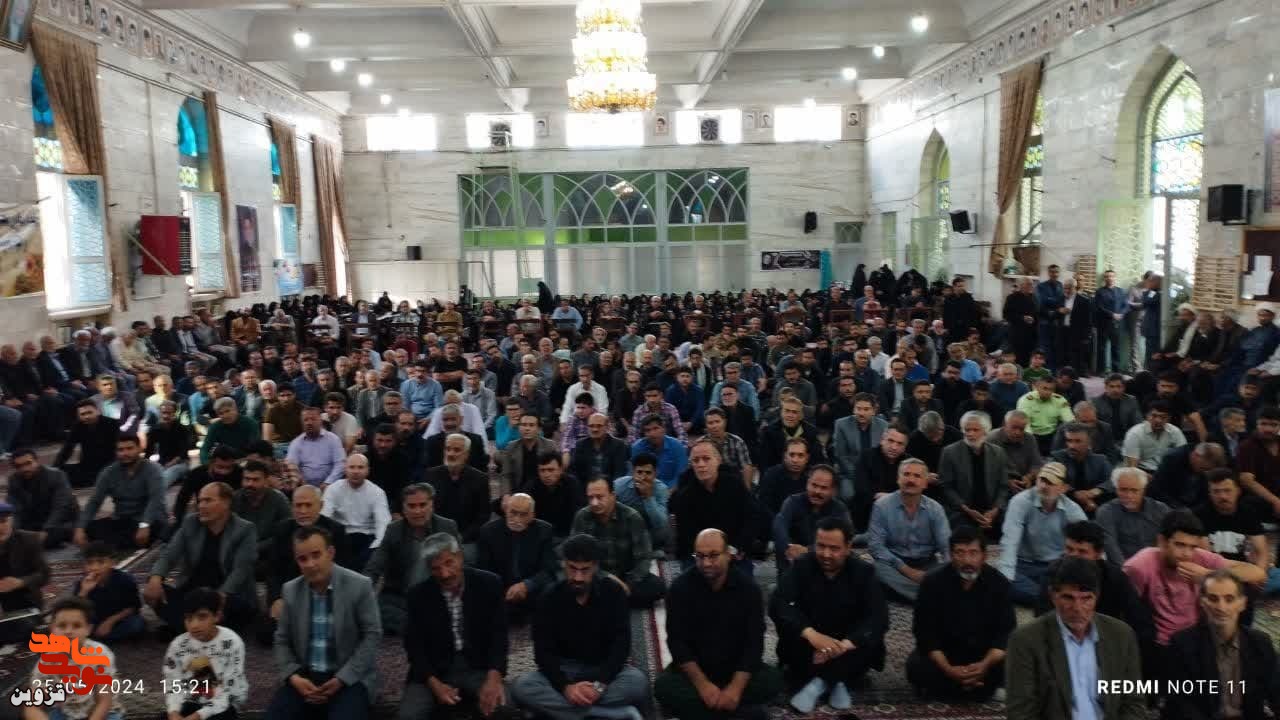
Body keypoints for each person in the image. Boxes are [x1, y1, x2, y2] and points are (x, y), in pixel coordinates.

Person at [510, 534, 649, 720]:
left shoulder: (613, 592)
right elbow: (543, 653)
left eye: (585, 570)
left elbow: (621, 646)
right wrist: (565, 688)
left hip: (601, 669)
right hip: (565, 669)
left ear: (596, 567)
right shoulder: (548, 598)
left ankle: (556, 711)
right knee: (522, 687)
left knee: (637, 683)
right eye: (572, 569)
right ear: (564, 565)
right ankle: (609, 714)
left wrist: (599, 686)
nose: (578, 577)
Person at [655, 528, 782, 720]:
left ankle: (708, 711)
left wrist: (736, 688)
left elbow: (754, 643)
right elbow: (677, 642)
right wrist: (703, 685)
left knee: (773, 680)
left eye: (713, 555)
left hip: (735, 668)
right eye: (700, 556)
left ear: (728, 554)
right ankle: (741, 713)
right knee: (663, 687)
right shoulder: (680, 589)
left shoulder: (749, 590)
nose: (706, 563)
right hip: (697, 669)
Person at [770, 516, 888, 712]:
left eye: (834, 549)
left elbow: (879, 617)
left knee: (869, 639)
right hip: (810, 643)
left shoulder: (864, 571)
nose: (826, 554)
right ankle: (838, 681)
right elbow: (778, 604)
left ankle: (819, 683)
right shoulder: (801, 565)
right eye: (821, 546)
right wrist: (811, 635)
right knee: (790, 631)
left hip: (847, 644)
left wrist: (842, 646)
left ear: (848, 547)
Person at [1005, 556, 1145, 719]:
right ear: (1052, 596)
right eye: (1068, 598)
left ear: (1097, 596)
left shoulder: (1121, 635)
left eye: (1086, 598)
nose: (1077, 608)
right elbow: (1020, 713)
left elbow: (1134, 702)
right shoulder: (1026, 641)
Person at [267, 525, 382, 720]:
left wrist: (342, 679)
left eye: (316, 555)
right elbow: (281, 640)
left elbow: (372, 635)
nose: (310, 564)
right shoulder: (291, 590)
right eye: (303, 559)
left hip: (349, 677)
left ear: (331, 553)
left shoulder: (359, 585)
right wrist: (293, 677)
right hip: (304, 677)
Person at [1124, 509, 1266, 665]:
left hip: (1199, 638)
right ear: (1162, 542)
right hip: (1162, 644)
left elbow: (1257, 573)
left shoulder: (1200, 557)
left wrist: (1208, 575)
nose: (1187, 554)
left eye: (1192, 547)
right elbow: (1127, 610)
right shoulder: (1140, 565)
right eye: (1180, 545)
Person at [400, 533, 515, 720]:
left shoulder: (489, 584)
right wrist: (434, 684)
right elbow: (414, 646)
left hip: (478, 666)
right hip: (434, 670)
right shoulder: (417, 595)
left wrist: (494, 678)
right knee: (409, 716)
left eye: (449, 563)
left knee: (503, 708)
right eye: (436, 568)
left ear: (460, 556)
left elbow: (499, 636)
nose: (445, 574)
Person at [908, 525, 1013, 701]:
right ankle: (976, 688)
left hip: (983, 656)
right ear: (951, 555)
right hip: (946, 654)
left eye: (973, 553)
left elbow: (1006, 633)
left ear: (984, 556)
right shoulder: (932, 583)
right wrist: (948, 669)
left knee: (1016, 660)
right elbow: (924, 634)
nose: (967, 560)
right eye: (960, 553)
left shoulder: (999, 584)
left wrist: (984, 665)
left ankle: (959, 687)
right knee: (916, 666)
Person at [1162, 570, 1280, 720]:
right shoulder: (1182, 644)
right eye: (1213, 599)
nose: (1221, 607)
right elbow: (1180, 702)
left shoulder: (1260, 643)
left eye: (1229, 599)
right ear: (1202, 602)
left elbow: (1276, 693)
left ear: (1242, 603)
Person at [144, 482, 258, 634]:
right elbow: (170, 554)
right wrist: (156, 577)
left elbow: (241, 570)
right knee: (155, 590)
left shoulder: (245, 529)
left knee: (234, 608)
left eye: (208, 500)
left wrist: (221, 596)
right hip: (194, 592)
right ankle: (199, 628)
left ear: (226, 503)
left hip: (228, 594)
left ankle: (186, 627)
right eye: (200, 501)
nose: (201, 506)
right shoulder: (191, 522)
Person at [365, 483, 461, 635]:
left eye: (423, 505)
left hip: (438, 593)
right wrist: (361, 592)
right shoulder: (393, 530)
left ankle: (419, 625)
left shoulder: (447, 526)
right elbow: (375, 566)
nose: (417, 511)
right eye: (411, 506)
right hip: (401, 597)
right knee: (375, 609)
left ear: (432, 505)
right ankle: (426, 625)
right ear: (404, 509)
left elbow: (459, 564)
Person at [997, 461, 1087, 605]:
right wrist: (1006, 578)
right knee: (1003, 581)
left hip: (1056, 566)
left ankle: (1050, 598)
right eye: (1041, 480)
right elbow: (1010, 541)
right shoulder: (1020, 501)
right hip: (1023, 564)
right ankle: (1057, 599)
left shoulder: (1072, 509)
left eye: (1050, 482)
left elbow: (1087, 541)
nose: (1043, 486)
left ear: (1064, 488)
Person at [21, 597, 124, 720]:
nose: (68, 631)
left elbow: (104, 702)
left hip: (101, 713)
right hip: (66, 711)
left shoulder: (101, 655)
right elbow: (32, 706)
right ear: (52, 629)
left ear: (88, 629)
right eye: (62, 626)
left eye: (76, 626)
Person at [867, 458, 951, 602]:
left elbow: (946, 546)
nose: (910, 480)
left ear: (925, 483)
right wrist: (907, 570)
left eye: (917, 476)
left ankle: (907, 592)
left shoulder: (935, 509)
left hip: (927, 564)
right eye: (906, 474)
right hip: (894, 563)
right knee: (875, 569)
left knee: (951, 569)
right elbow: (876, 547)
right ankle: (928, 596)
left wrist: (950, 571)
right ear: (898, 479)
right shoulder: (882, 506)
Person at [572, 477, 664, 608]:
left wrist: (627, 584)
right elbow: (576, 557)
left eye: (600, 497)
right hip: (595, 576)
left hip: (626, 575)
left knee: (657, 587)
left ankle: (607, 600)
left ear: (613, 496)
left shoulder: (632, 517)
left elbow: (644, 558)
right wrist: (606, 577)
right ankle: (617, 600)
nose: (594, 503)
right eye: (590, 498)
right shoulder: (582, 517)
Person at [267, 486, 353, 625]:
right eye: (298, 505)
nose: (303, 511)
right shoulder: (282, 529)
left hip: (325, 594)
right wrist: (276, 599)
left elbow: (343, 570)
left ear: (321, 506)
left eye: (308, 505)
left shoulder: (336, 531)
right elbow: (273, 570)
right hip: (290, 594)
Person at [162, 587, 249, 720]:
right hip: (190, 701)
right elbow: (173, 683)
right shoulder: (178, 645)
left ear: (217, 616)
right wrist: (173, 712)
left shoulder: (232, 642)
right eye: (189, 618)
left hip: (222, 704)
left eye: (202, 617)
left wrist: (198, 716)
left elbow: (228, 690)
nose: (194, 625)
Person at [671, 441, 754, 575]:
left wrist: (735, 549)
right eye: (696, 460)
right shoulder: (684, 495)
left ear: (718, 461)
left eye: (706, 459)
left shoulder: (735, 485)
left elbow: (750, 519)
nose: (701, 464)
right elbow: (687, 536)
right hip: (699, 554)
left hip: (733, 550)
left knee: (742, 583)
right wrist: (709, 555)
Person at [75, 435, 167, 549]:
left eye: (129, 448)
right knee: (89, 529)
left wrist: (145, 525)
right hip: (123, 520)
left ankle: (114, 543)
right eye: (121, 450)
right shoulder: (109, 472)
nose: (125, 453)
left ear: (139, 449)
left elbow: (156, 500)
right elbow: (95, 501)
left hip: (150, 520)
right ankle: (117, 543)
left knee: (159, 531)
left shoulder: (153, 469)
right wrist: (80, 527)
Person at [938, 411, 1009, 532]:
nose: (970, 434)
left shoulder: (998, 453)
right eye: (967, 430)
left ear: (985, 431)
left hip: (992, 510)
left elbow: (1003, 486)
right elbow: (946, 486)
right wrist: (966, 510)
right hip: (962, 510)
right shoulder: (949, 452)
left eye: (975, 430)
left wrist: (995, 510)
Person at [772, 465, 850, 574]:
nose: (817, 491)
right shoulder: (793, 502)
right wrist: (788, 547)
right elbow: (780, 525)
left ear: (833, 490)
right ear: (807, 483)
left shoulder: (839, 509)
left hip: (825, 562)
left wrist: (808, 551)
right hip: (793, 561)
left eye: (823, 488)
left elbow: (846, 540)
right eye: (814, 485)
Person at [321, 454, 392, 568]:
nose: (356, 471)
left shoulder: (377, 492)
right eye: (352, 467)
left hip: (367, 538)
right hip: (341, 536)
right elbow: (324, 518)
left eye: (360, 467)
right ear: (345, 469)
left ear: (368, 471)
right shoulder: (333, 489)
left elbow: (383, 524)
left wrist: (376, 548)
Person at [425, 433, 492, 544]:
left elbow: (483, 516)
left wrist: (462, 537)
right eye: (448, 449)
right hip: (435, 537)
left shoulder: (480, 479)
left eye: (457, 450)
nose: (450, 454)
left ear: (466, 454)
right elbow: (427, 511)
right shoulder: (430, 475)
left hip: (467, 539)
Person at [1094, 467, 1170, 563]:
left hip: (1157, 564)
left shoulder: (1161, 509)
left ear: (1143, 490)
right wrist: (1129, 569)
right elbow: (1112, 549)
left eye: (1134, 490)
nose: (1129, 495)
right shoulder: (1106, 512)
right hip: (1123, 566)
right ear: (1116, 490)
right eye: (1123, 490)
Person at [73, 541, 144, 643]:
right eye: (89, 563)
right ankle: (99, 637)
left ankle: (95, 638)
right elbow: (74, 610)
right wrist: (84, 591)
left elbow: (133, 607)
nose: (94, 568)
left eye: (101, 562)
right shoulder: (82, 583)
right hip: (94, 621)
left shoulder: (125, 580)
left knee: (136, 625)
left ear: (112, 563)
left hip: (118, 619)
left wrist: (110, 621)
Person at [6, 447, 77, 548]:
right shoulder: (14, 480)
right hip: (33, 523)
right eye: (19, 466)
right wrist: (13, 531)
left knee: (60, 532)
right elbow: (14, 509)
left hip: (59, 522)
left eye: (28, 463)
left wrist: (46, 530)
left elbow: (61, 507)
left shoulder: (56, 475)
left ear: (37, 462)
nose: (25, 469)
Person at [233, 459, 291, 566]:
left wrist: (256, 547)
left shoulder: (279, 500)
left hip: (270, 556)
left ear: (266, 481)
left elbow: (286, 533)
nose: (250, 484)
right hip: (239, 555)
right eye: (247, 479)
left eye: (255, 480)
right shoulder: (235, 499)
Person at [1049, 421, 1116, 514]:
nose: (1072, 446)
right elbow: (1053, 481)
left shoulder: (1100, 460)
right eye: (1069, 440)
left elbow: (1112, 481)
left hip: (1096, 505)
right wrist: (1079, 496)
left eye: (1078, 441)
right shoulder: (1058, 458)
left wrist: (1094, 492)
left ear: (1089, 442)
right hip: (1065, 507)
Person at [831, 393, 887, 502]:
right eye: (858, 409)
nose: (861, 413)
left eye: (866, 409)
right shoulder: (841, 424)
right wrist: (860, 476)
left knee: (881, 498)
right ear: (853, 409)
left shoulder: (883, 426)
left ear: (874, 411)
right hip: (849, 473)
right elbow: (841, 456)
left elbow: (883, 454)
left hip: (874, 474)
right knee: (849, 495)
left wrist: (871, 476)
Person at [55, 399, 122, 487]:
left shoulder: (112, 424)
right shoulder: (78, 426)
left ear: (98, 411)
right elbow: (67, 449)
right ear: (78, 416)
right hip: (87, 466)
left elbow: (119, 449)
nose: (87, 416)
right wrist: (55, 469)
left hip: (109, 465)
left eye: (89, 412)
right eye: (83, 414)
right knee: (61, 472)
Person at [613, 454, 670, 549]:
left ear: (655, 473)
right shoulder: (619, 485)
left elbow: (661, 524)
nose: (643, 477)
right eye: (639, 472)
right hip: (625, 534)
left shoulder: (661, 489)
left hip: (651, 539)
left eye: (648, 473)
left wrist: (648, 497)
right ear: (633, 472)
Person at [287, 406, 347, 487]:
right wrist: (302, 483)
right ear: (302, 423)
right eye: (305, 420)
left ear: (320, 421)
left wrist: (328, 482)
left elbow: (340, 464)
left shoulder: (333, 439)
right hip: (303, 486)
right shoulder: (296, 443)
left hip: (331, 486)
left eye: (313, 419)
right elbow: (291, 467)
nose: (309, 423)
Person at [1122, 400, 1186, 473]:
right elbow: (1132, 468)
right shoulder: (1135, 433)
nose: (1158, 420)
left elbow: (1184, 456)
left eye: (1163, 417)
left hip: (1166, 470)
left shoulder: (1175, 431)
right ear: (1147, 416)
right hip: (1142, 471)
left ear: (1169, 418)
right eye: (1154, 416)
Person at [1016, 376, 1074, 455]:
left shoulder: (1059, 400)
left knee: (1067, 428)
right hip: (1033, 435)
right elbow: (1025, 425)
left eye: (1051, 389)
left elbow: (1069, 421)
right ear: (1037, 388)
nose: (1048, 392)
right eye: (1045, 388)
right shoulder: (1026, 400)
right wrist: (1031, 442)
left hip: (1053, 435)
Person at [630, 414, 688, 487]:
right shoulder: (637, 448)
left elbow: (681, 475)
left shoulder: (677, 446)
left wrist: (667, 491)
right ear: (644, 433)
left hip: (672, 489)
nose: (652, 433)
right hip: (645, 487)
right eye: (648, 430)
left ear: (664, 429)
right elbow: (634, 474)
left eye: (656, 428)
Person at [569, 412, 630, 482]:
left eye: (599, 426)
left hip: (611, 486)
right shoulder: (580, 445)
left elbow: (619, 473)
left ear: (607, 427)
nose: (595, 429)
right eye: (591, 426)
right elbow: (575, 472)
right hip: (585, 486)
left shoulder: (619, 445)